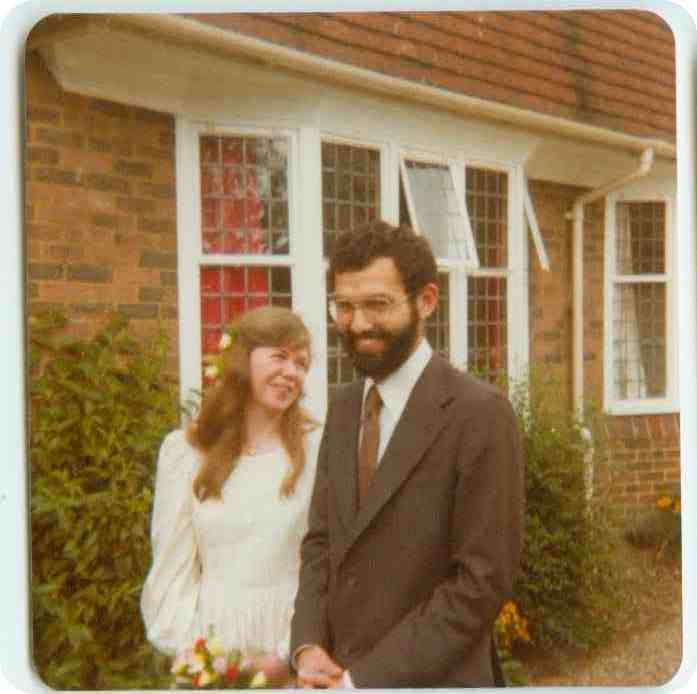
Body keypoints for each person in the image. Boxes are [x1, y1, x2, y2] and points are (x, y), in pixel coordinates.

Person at [290, 221, 525, 688]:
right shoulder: (343, 407)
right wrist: (308, 645)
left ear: (427, 301)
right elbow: (321, 542)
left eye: (378, 305)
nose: (358, 324)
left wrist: (363, 680)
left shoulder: (480, 413)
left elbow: (480, 583)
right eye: (344, 306)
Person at [141, 306, 321, 687]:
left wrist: (287, 654)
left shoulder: (316, 451)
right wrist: (202, 658)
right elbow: (172, 571)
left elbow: (327, 567)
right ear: (243, 360)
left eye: (301, 363)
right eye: (280, 356)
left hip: (290, 649)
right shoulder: (186, 453)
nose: (292, 371)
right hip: (211, 647)